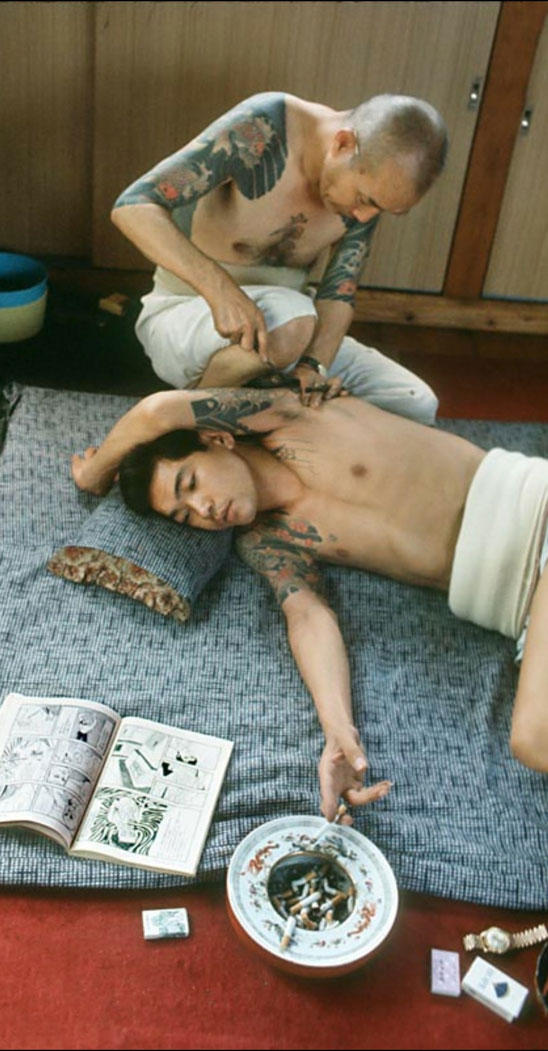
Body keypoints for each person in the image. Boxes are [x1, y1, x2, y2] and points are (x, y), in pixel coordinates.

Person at [71, 387, 548, 821]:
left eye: (191, 483)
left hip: (539, 522)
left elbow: (156, 411)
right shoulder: (268, 540)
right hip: (526, 614)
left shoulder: (294, 416)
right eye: (184, 515)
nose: (203, 510)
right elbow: (309, 616)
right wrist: (339, 732)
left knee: (533, 739)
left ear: (217, 439)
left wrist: (95, 472)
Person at [111, 91, 447, 417]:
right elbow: (133, 207)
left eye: (381, 210)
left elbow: (339, 292)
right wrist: (220, 290)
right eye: (365, 199)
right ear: (343, 144)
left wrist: (313, 366)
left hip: (291, 332)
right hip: (191, 318)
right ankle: (185, 423)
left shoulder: (365, 196)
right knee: (292, 321)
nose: (364, 217)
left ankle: (269, 414)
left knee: (413, 402)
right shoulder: (262, 129)